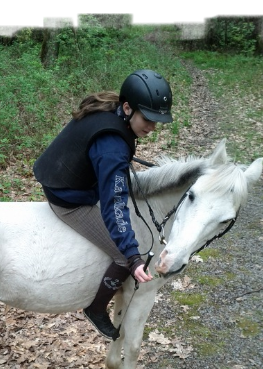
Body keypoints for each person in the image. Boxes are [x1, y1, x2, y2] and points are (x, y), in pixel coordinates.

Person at [33, 69, 173, 340]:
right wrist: (133, 257)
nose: (152, 128)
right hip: (68, 199)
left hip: (63, 174)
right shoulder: (112, 148)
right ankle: (96, 308)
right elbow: (114, 206)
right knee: (123, 254)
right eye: (148, 119)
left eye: (157, 121)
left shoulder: (111, 108)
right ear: (128, 108)